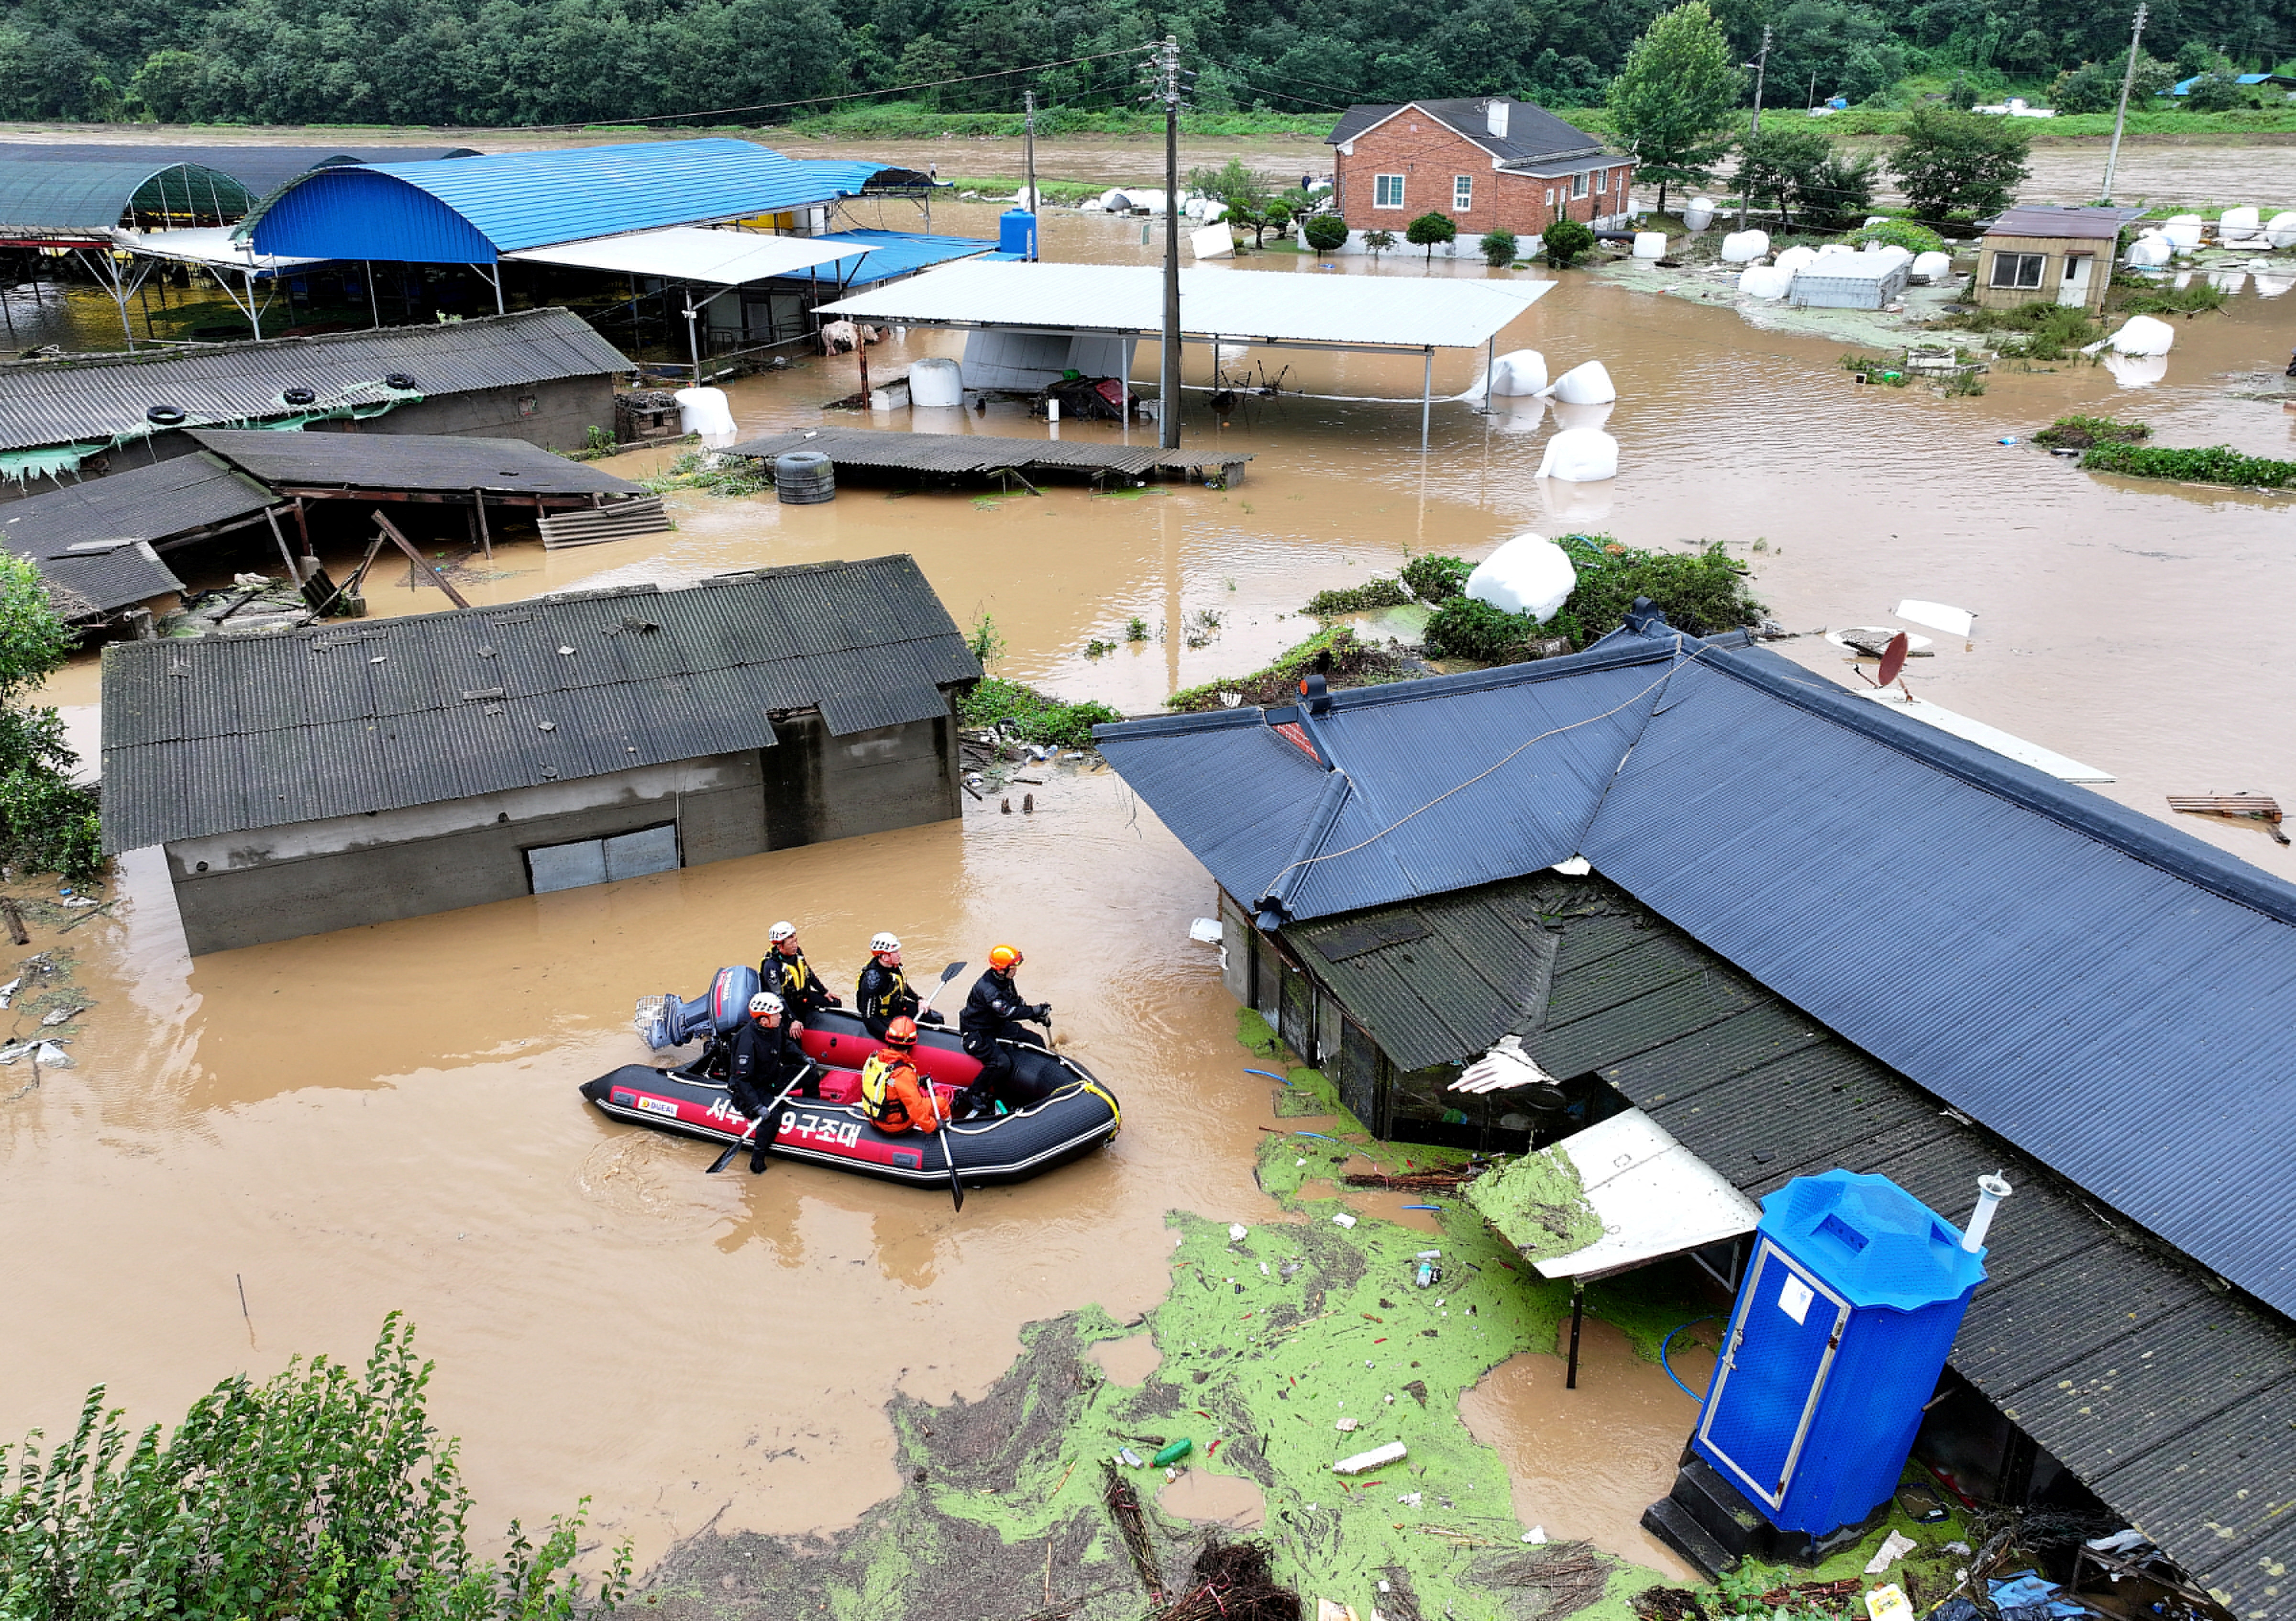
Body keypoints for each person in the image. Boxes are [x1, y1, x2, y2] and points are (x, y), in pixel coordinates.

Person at [955, 944, 1052, 1119]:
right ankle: (974, 1092)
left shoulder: (1006, 981)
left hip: (997, 1025)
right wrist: (1035, 1011)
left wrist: (1035, 1016)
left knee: (1035, 1040)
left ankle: (1044, 1076)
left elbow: (1015, 1002)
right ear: (1001, 970)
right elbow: (1008, 1011)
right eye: (1013, 967)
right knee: (1001, 1063)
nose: (1016, 970)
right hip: (978, 1031)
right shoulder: (989, 990)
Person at [725, 991, 814, 1173]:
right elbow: (742, 1080)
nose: (781, 1017)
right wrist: (757, 1106)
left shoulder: (774, 1029)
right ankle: (757, 1161)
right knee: (771, 1119)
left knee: (811, 1075)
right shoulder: (746, 1041)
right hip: (753, 1087)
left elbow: (786, 1045)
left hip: (772, 1077)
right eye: (777, 1015)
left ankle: (812, 1107)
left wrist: (803, 1057)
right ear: (764, 1020)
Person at [858, 1017, 951, 1134]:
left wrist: (918, 1082)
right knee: (942, 1104)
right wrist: (933, 1126)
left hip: (875, 1118)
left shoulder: (876, 1059)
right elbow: (915, 1109)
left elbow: (890, 1085)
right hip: (895, 1125)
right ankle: (951, 1132)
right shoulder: (903, 1073)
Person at [857, 933, 943, 1038]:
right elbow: (869, 1017)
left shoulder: (894, 967)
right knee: (904, 1038)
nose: (899, 955)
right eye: (895, 952)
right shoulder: (873, 981)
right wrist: (888, 1034)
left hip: (898, 1007)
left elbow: (901, 987)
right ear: (884, 957)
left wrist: (919, 1000)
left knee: (936, 1018)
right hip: (883, 1017)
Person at [762, 920, 840, 1037]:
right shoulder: (772, 967)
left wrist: (825, 992)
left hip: (803, 997)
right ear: (780, 946)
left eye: (796, 941)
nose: (795, 946)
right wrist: (792, 1020)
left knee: (836, 1002)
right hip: (788, 1005)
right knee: (795, 1036)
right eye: (791, 943)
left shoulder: (797, 952)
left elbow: (808, 973)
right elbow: (778, 998)